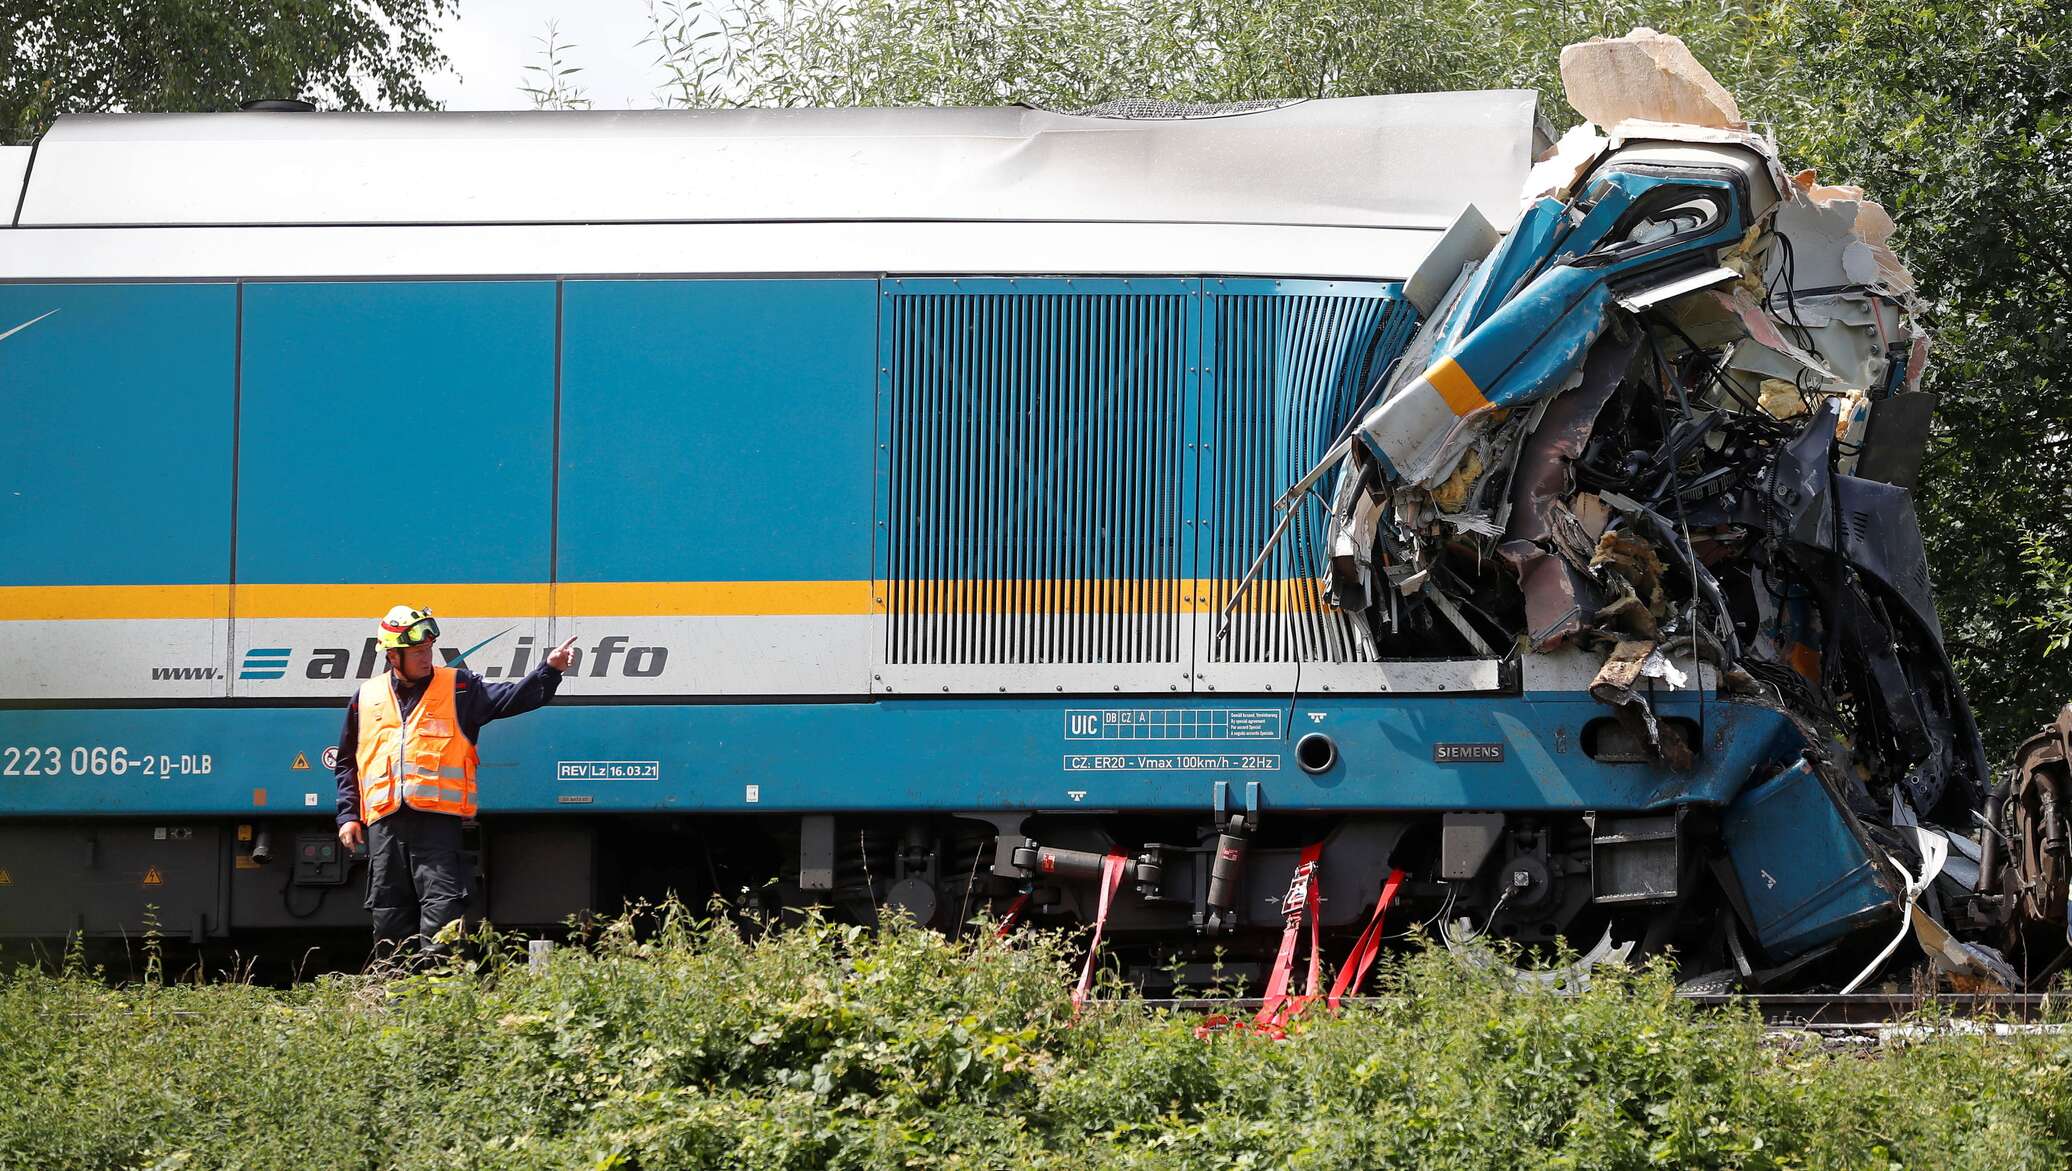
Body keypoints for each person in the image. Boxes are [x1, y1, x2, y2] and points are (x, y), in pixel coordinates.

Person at [332, 605, 577, 956]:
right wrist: (348, 816)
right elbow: (347, 762)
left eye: (428, 649)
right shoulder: (366, 697)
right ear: (393, 656)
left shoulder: (459, 687)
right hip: (384, 828)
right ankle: (394, 997)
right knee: (388, 913)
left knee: (443, 911)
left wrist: (549, 671)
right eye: (417, 651)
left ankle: (439, 994)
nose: (426, 657)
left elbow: (510, 698)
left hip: (437, 824)